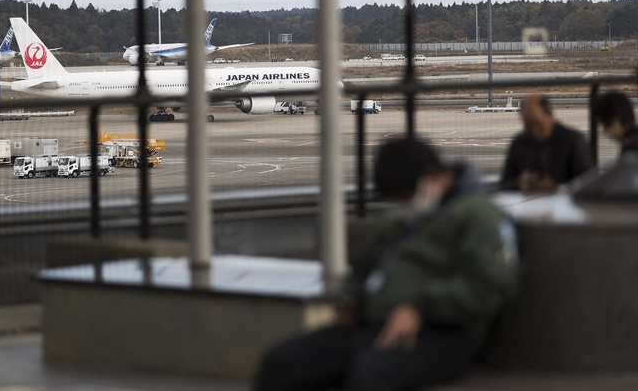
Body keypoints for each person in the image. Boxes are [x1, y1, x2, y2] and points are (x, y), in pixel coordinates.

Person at [253, 137, 519, 391]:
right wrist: (350, 297)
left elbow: (485, 285)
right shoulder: (403, 218)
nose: (404, 204)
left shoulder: (480, 215)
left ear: (431, 176)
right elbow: (365, 265)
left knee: (372, 373)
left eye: (405, 196)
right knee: (281, 362)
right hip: (373, 323)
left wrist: (420, 308)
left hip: (439, 332)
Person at [500, 94, 593, 192]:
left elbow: (589, 182)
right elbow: (505, 183)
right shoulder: (519, 144)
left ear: (550, 116)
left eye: (537, 123)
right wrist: (519, 183)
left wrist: (557, 187)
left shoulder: (572, 141)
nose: (534, 130)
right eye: (528, 124)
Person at [594, 92, 638, 156]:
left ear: (618, 118)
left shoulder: (632, 147)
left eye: (607, 123)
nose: (604, 130)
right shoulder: (637, 138)